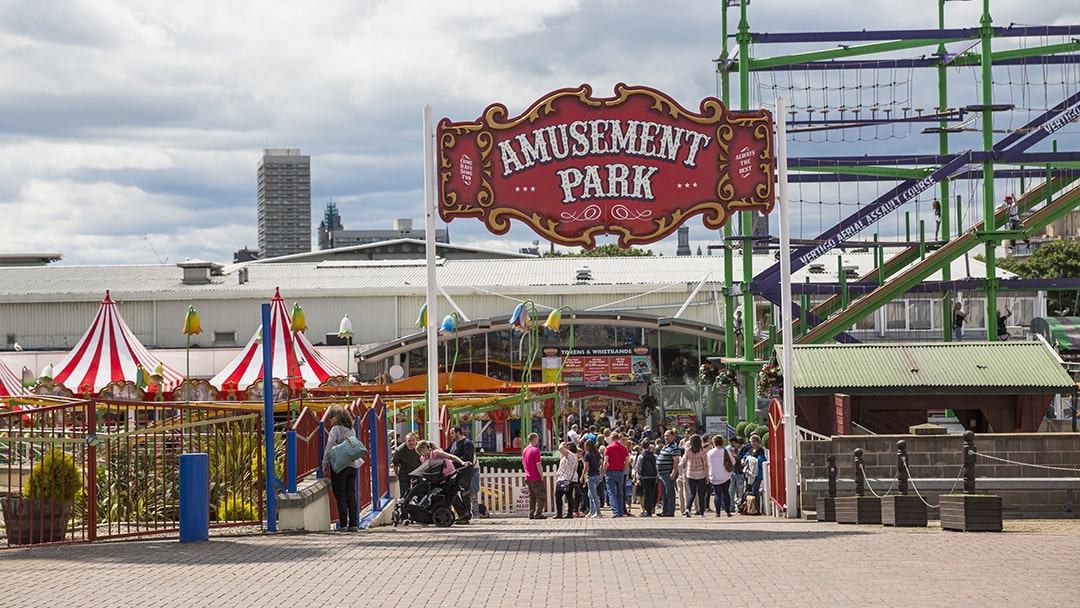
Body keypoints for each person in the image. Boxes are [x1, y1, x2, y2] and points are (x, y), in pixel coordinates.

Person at [321, 405, 360, 531]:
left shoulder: (335, 429)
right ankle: (353, 524)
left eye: (331, 418)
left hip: (340, 465)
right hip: (353, 464)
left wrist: (325, 463)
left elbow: (329, 446)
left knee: (340, 494)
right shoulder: (351, 429)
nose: (330, 421)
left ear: (336, 418)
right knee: (350, 493)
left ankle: (343, 524)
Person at [416, 440, 470, 520]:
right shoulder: (422, 459)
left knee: (448, 493)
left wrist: (462, 462)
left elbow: (451, 457)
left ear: (427, 448)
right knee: (448, 493)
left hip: (449, 476)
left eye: (423, 450)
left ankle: (461, 513)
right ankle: (461, 513)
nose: (423, 453)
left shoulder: (436, 453)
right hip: (439, 478)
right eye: (420, 451)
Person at [447, 425, 475, 524]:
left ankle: (466, 515)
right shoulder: (454, 443)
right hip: (455, 472)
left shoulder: (467, 443)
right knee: (451, 492)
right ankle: (462, 512)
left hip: (464, 472)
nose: (450, 435)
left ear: (458, 433)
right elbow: (447, 452)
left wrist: (452, 462)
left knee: (465, 494)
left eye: (452, 433)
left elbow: (467, 457)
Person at [601, 431, 629, 517]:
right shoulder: (624, 448)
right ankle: (620, 511)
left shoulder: (608, 448)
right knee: (620, 492)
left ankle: (615, 511)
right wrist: (623, 468)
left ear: (611, 438)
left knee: (612, 492)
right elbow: (627, 460)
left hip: (610, 471)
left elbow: (606, 461)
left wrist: (604, 471)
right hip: (620, 471)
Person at [655, 429, 682, 517]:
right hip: (662, 474)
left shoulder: (674, 447)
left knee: (669, 492)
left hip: (668, 473)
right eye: (665, 436)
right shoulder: (665, 446)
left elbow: (676, 460)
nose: (666, 438)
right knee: (664, 493)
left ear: (673, 436)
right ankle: (665, 510)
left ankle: (670, 511)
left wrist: (674, 472)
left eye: (668, 436)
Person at [707, 435, 735, 517]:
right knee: (726, 493)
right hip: (725, 475)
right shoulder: (726, 451)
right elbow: (733, 462)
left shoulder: (710, 453)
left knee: (717, 494)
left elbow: (708, 464)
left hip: (714, 476)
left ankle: (717, 512)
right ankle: (728, 511)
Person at [682, 434, 709, 516]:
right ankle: (701, 512)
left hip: (690, 473)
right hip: (700, 473)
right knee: (701, 494)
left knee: (692, 493)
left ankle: (688, 508)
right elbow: (705, 464)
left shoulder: (687, 450)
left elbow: (686, 460)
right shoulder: (703, 451)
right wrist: (707, 475)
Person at [522, 432, 546, 519]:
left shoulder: (525, 450)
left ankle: (531, 512)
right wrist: (541, 475)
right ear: (534, 439)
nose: (538, 440)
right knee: (540, 495)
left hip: (528, 476)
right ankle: (538, 513)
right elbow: (538, 464)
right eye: (537, 438)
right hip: (535, 476)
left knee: (531, 496)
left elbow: (523, 462)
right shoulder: (536, 450)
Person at [391, 432, 421, 499]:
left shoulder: (419, 447)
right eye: (409, 441)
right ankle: (404, 507)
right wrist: (397, 475)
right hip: (404, 471)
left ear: (416, 440)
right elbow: (395, 463)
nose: (411, 443)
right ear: (405, 441)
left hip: (417, 471)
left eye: (413, 440)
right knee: (404, 492)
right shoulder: (400, 450)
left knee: (419, 491)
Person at [554, 442, 579, 519]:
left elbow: (560, 449)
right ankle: (569, 513)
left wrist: (561, 444)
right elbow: (561, 457)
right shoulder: (573, 456)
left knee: (558, 495)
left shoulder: (570, 454)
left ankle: (559, 513)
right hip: (570, 479)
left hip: (565, 478)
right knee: (569, 496)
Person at [635, 440, 659, 516]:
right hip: (653, 476)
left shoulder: (641, 456)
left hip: (645, 476)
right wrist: (657, 475)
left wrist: (638, 476)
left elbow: (638, 467)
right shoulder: (654, 456)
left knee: (647, 493)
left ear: (642, 446)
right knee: (652, 493)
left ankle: (647, 510)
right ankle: (651, 508)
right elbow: (657, 466)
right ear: (649, 447)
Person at [744, 434, 767, 508]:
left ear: (758, 442)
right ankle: (751, 506)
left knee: (755, 490)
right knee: (749, 489)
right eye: (751, 442)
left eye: (753, 441)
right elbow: (745, 456)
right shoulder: (750, 450)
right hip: (750, 474)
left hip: (757, 475)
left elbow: (761, 461)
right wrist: (743, 459)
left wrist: (752, 460)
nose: (752, 443)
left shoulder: (760, 451)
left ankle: (756, 507)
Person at [583, 438, 602, 517]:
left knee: (593, 494)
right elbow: (601, 463)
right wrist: (601, 472)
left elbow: (586, 466)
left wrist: (582, 475)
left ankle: (598, 512)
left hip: (590, 475)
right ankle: (591, 510)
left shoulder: (587, 455)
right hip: (597, 475)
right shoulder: (597, 453)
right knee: (590, 493)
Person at [728, 436, 746, 512]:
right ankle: (731, 508)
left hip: (740, 473)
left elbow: (740, 459)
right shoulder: (731, 450)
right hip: (733, 472)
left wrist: (734, 456)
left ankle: (740, 507)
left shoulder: (741, 450)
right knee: (731, 491)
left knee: (740, 492)